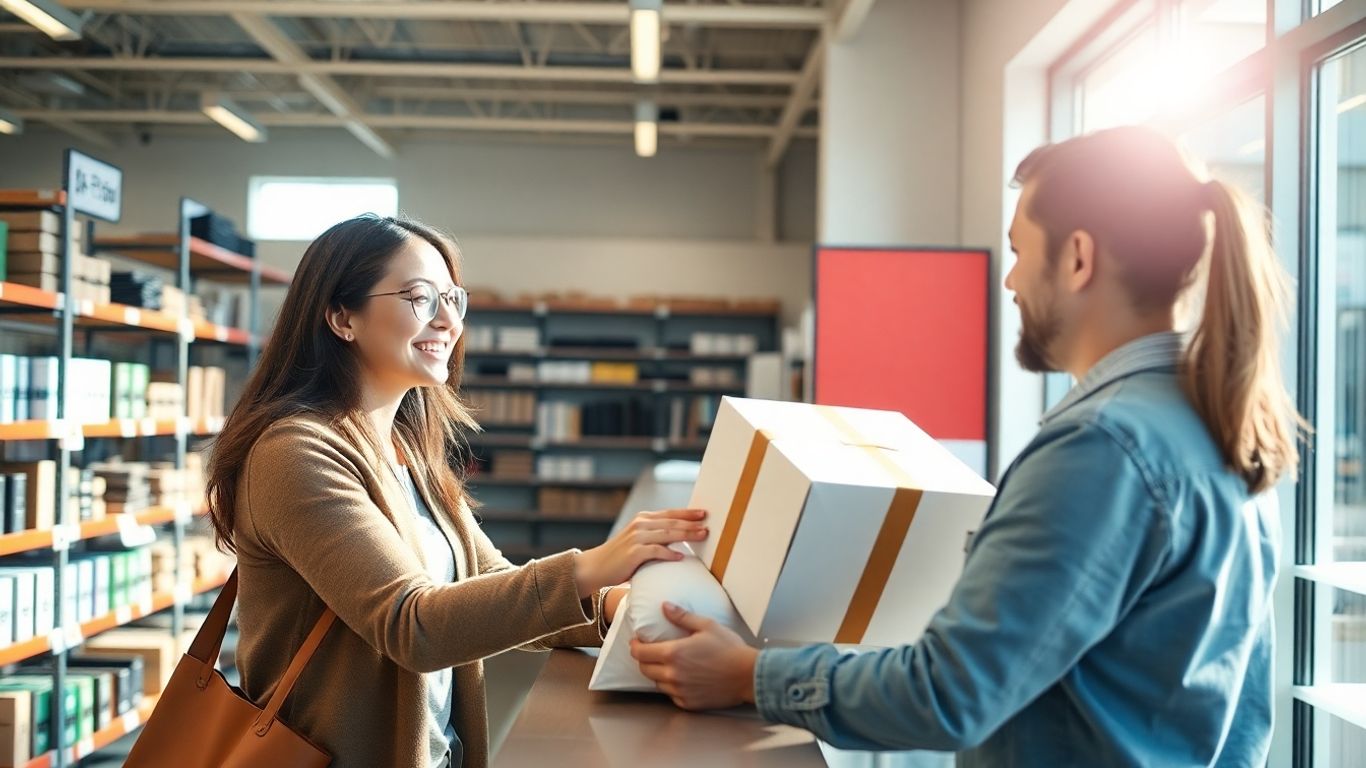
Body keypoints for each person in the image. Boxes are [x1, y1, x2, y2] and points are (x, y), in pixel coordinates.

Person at [630, 126, 1301, 767]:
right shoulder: (1218, 422)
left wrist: (749, 675)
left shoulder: (1100, 448)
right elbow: (1241, 719)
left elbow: (950, 693)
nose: (1009, 282)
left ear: (1076, 258)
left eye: (1018, 251)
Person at [204, 214, 708, 768]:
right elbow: (413, 625)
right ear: (342, 317)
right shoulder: (295, 453)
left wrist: (616, 608)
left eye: (453, 299)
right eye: (421, 298)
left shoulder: (407, 451)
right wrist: (592, 567)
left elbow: (489, 585)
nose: (449, 322)